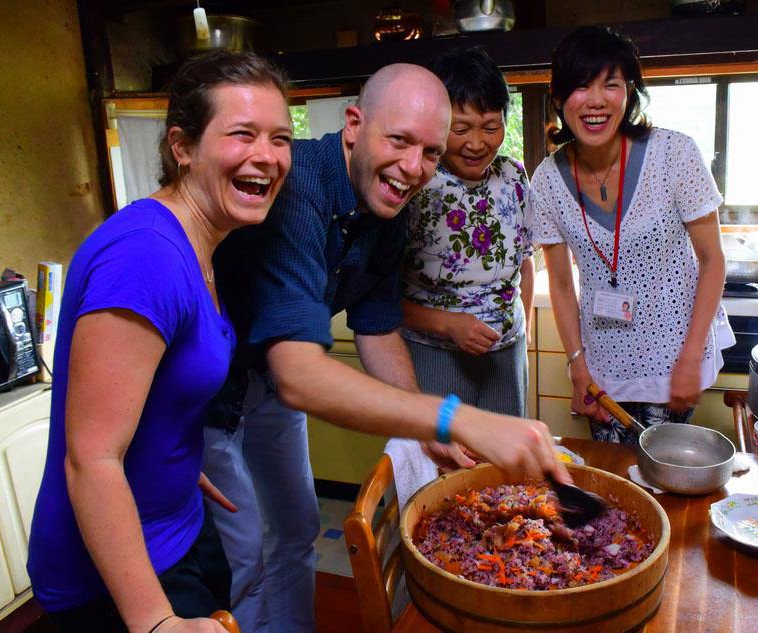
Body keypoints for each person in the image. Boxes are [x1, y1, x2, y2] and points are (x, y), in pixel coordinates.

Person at [204, 63, 569, 633]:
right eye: (399, 141)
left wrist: (427, 431)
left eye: (429, 150)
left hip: (270, 387)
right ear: (355, 125)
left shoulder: (387, 207)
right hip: (208, 394)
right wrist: (454, 419)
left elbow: (376, 327)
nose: (413, 167)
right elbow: (301, 373)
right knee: (244, 550)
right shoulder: (298, 188)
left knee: (296, 531)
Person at [26, 51, 293, 633]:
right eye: (242, 133)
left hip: (177, 525)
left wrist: (169, 454)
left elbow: (150, 388)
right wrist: (155, 624)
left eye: (280, 138)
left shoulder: (201, 242)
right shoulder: (145, 256)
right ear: (182, 146)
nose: (267, 157)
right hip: (113, 576)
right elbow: (91, 458)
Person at [530, 26, 734, 443]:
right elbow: (562, 282)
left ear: (630, 93)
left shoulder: (675, 154)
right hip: (602, 364)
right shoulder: (547, 180)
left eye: (612, 85)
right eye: (581, 86)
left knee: (664, 478)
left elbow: (712, 260)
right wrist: (577, 367)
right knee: (614, 486)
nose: (596, 100)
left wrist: (690, 359)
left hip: (675, 353)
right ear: (558, 100)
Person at [401, 46, 535, 417]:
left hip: (506, 354)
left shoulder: (513, 175)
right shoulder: (413, 182)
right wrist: (448, 324)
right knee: (442, 463)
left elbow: (525, 260)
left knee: (506, 466)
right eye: (460, 129)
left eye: (491, 127)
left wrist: (522, 331)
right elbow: (378, 298)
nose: (477, 143)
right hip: (434, 354)